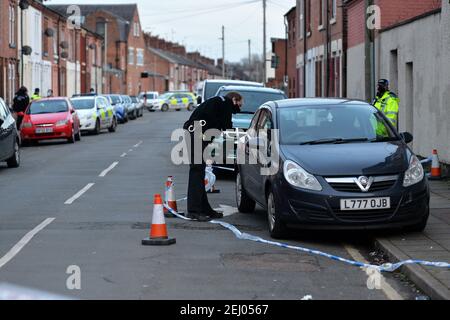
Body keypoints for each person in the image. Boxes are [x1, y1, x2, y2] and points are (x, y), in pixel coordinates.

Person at [183, 92, 243, 222]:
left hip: (195, 132)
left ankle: (204, 209)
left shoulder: (218, 102)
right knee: (197, 172)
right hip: (196, 133)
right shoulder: (225, 103)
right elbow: (227, 126)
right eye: (239, 103)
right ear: (234, 99)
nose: (240, 107)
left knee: (199, 172)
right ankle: (194, 211)